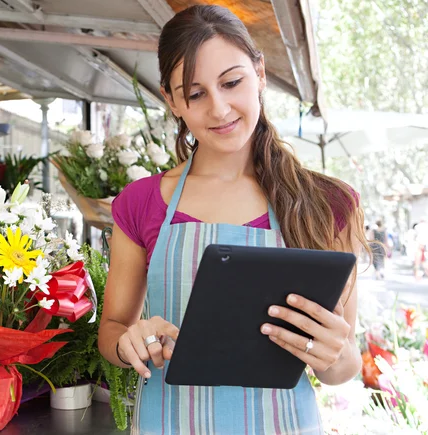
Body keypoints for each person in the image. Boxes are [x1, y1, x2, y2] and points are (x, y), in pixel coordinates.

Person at [98, 5, 370, 434]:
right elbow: (112, 330)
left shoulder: (329, 204)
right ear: (171, 101)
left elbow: (341, 365)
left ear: (259, 74)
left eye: (232, 82)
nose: (220, 109)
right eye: (196, 93)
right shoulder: (141, 202)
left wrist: (338, 355)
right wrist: (128, 341)